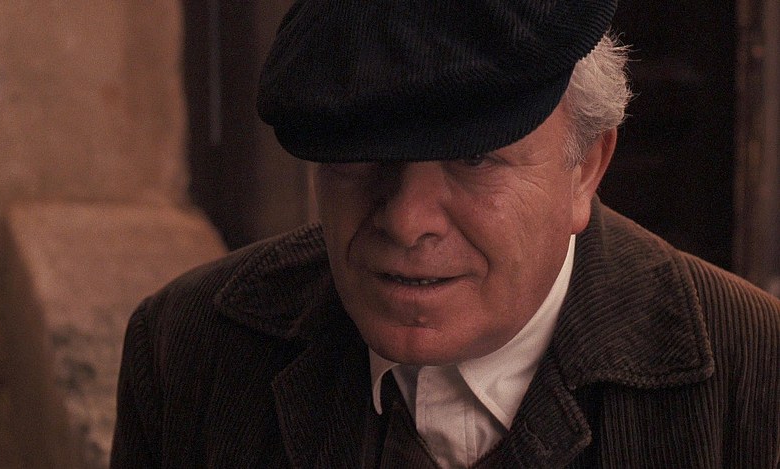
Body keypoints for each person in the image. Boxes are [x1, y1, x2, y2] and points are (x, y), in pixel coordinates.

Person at [110, 1, 780, 467]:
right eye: (362, 156)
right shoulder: (187, 347)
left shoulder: (756, 376)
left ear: (584, 167)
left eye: (474, 158)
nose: (406, 221)